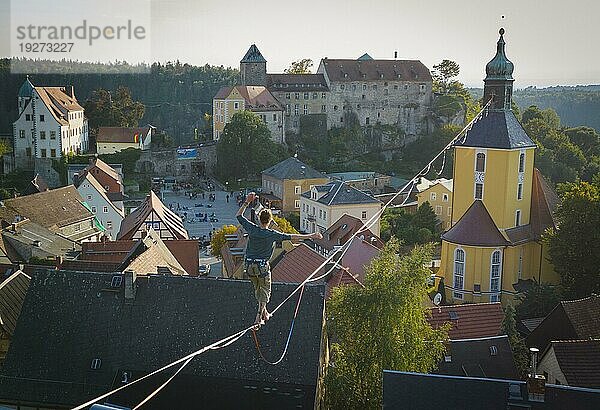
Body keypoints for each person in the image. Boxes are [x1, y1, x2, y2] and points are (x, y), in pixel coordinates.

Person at [236, 192, 322, 329]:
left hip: (249, 266)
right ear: (270, 221)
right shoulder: (272, 234)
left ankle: (265, 313)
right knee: (265, 291)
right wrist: (312, 235)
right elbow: (292, 237)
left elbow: (238, 216)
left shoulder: (252, 229)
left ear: (259, 219)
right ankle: (258, 317)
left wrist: (247, 202)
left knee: (258, 290)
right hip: (262, 266)